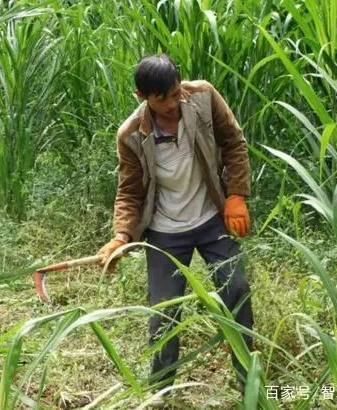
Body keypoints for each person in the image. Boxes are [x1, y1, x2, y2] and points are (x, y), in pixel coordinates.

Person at [97, 54, 254, 393]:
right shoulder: (130, 135)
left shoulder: (202, 97)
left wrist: (236, 195)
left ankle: (248, 379)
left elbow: (234, 143)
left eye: (174, 92)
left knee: (236, 289)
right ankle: (161, 391)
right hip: (165, 232)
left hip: (212, 218)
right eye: (161, 99)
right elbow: (129, 191)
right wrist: (121, 236)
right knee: (163, 315)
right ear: (142, 97)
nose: (172, 103)